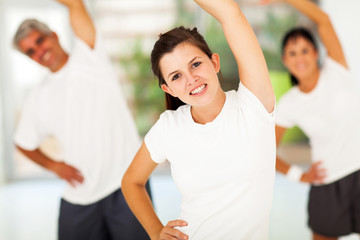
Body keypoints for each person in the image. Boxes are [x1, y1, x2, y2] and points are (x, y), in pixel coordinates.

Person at [121, 0, 276, 239]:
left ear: (214, 62)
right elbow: (131, 182)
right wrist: (155, 231)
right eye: (176, 76)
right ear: (168, 89)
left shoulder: (254, 106)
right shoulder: (169, 127)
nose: (191, 79)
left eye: (195, 64)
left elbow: (231, 14)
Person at [13, 0, 150, 239]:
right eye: (30, 52)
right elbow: (23, 143)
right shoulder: (37, 97)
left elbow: (75, 4)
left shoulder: (89, 57)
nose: (39, 52)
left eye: (39, 41)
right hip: (81, 193)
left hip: (127, 184)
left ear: (53, 34)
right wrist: (54, 166)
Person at [260, 0, 360, 239]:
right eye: (292, 53)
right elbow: (266, 149)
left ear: (316, 53)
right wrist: (299, 175)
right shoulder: (289, 103)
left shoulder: (337, 69)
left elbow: (323, 20)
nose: (300, 58)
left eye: (305, 50)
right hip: (327, 184)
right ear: (285, 60)